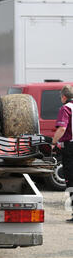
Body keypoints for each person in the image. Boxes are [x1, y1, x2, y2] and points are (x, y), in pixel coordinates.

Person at [52, 84, 73, 222]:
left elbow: (62, 128)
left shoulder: (65, 108)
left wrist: (53, 143)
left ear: (64, 97)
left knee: (71, 180)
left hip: (70, 147)